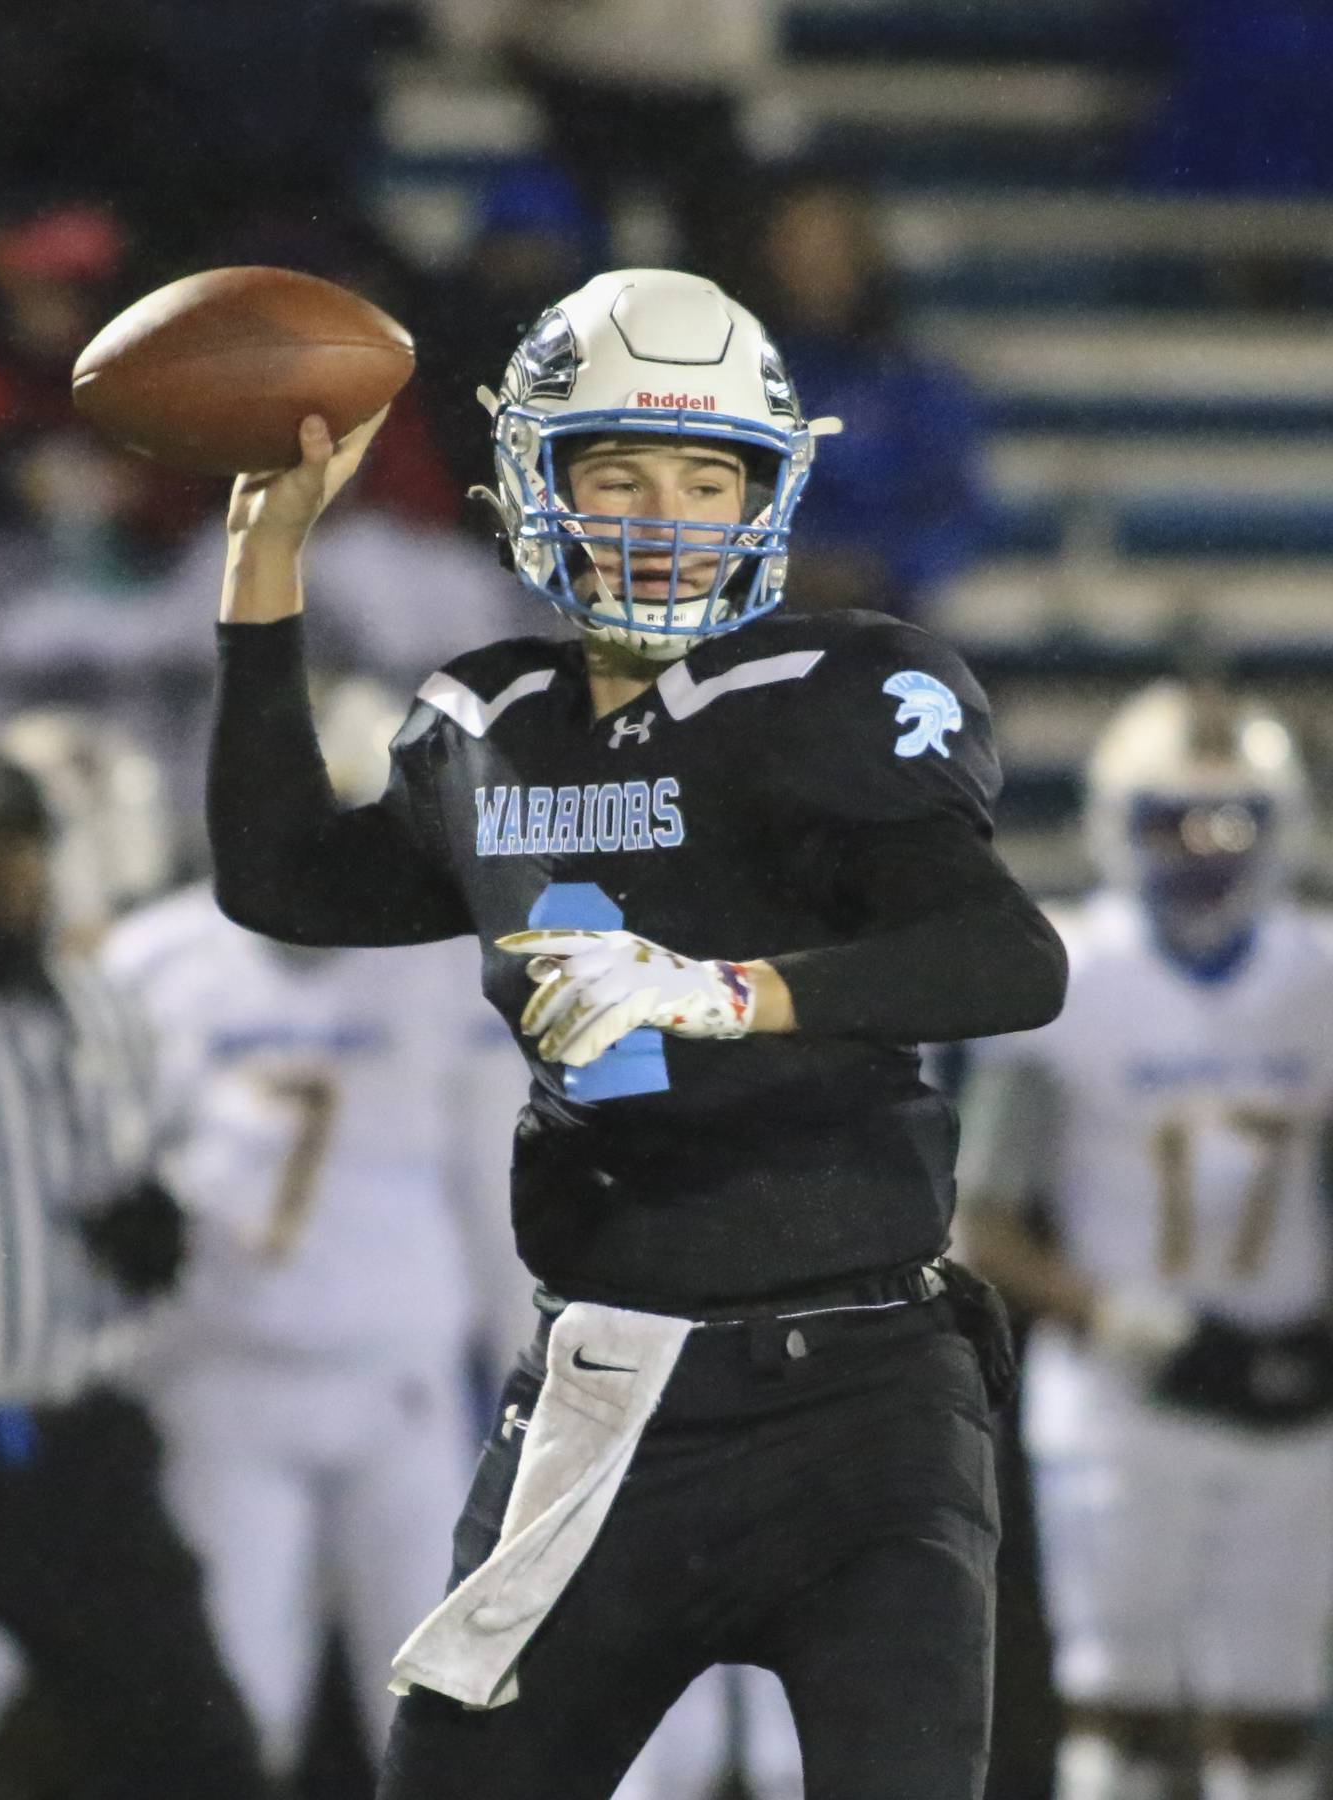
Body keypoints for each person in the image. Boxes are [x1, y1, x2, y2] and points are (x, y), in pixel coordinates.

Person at [205, 265, 1068, 1800]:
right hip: (606, 1394)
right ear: (538, 489)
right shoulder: (487, 719)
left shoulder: (844, 685)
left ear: (768, 491)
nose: (662, 510)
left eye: (703, 473)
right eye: (617, 471)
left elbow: (1005, 957)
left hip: (864, 1401)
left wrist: (735, 990)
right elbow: (281, 880)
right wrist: (265, 572)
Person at [100, 677, 531, 1786]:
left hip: (402, 1378)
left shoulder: (438, 960)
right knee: (237, 1694)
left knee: (442, 1689)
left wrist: (531, 1372)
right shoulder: (154, 963)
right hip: (222, 1372)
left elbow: (493, 1183)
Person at [957, 680, 1333, 1800]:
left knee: (1267, 1721)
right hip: (1124, 1385)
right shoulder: (1068, 970)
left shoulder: (1317, 972)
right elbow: (982, 1223)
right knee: (1114, 1716)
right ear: (1120, 822)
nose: (1206, 849)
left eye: (1234, 821)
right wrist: (1139, 1327)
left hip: (1296, 1383)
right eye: (1176, 818)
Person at [0, 741, 268, 1800]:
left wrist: (152, 1221)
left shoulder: (96, 1004)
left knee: (197, 1745)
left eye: (25, 859)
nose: (11, 889)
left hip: (76, 1442)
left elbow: (145, 1161)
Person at [749, 177, 989, 620]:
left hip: (884, 620)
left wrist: (877, 570)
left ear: (864, 254)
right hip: (756, 618)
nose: (812, 263)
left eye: (829, 245)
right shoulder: (736, 378)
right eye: (796, 244)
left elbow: (955, 510)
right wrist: (774, 564)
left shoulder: (916, 383)